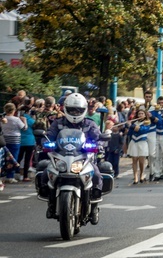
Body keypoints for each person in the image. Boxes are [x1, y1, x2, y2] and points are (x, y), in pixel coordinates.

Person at [42, 93, 103, 223]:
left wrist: (98, 145)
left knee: (96, 174)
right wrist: (45, 142)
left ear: (84, 110)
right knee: (45, 171)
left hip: (83, 157)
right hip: (61, 157)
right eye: (72, 110)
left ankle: (94, 207)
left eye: (79, 110)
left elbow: (98, 138)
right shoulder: (58, 123)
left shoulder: (90, 124)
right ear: (66, 109)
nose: (75, 113)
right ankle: (50, 202)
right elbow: (49, 135)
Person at [1, 103, 27, 183]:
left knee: (4, 158)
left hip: (4, 139)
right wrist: (24, 121)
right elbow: (24, 128)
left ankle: (3, 175)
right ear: (14, 110)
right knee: (13, 158)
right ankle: (10, 176)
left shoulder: (2, 118)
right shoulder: (16, 119)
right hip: (15, 140)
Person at [126, 109, 151, 184]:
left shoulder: (147, 123)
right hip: (134, 142)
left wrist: (132, 125)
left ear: (145, 115)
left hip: (142, 142)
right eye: (139, 114)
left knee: (141, 161)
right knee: (134, 160)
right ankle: (135, 177)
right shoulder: (135, 122)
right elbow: (129, 133)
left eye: (142, 114)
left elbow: (141, 130)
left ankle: (141, 175)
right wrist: (128, 126)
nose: (140, 115)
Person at [143, 91, 158, 181]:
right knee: (143, 154)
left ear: (151, 98)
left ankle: (152, 172)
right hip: (142, 131)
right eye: (146, 96)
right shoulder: (140, 107)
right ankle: (143, 174)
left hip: (152, 131)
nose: (148, 98)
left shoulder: (154, 108)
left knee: (151, 154)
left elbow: (157, 121)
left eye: (149, 97)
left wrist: (151, 116)